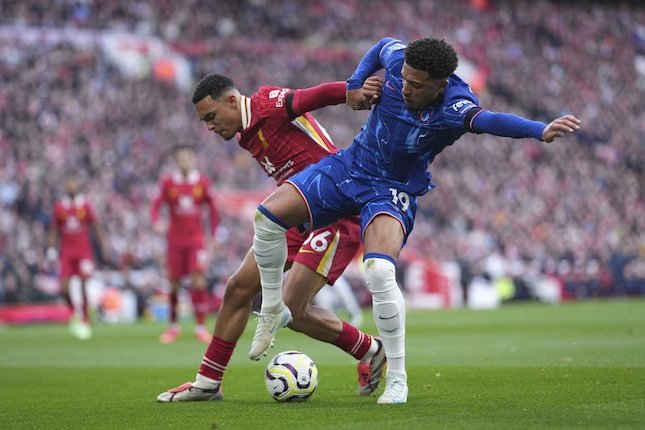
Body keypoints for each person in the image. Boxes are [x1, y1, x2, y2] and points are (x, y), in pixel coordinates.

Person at [248, 36, 582, 404]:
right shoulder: (398, 62)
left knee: (378, 271)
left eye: (416, 85)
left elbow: (490, 121)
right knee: (266, 217)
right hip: (350, 166)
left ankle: (397, 378)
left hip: (392, 189)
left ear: (440, 84)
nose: (405, 87)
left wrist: (539, 130)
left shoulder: (455, 106)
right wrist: (358, 82)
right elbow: (382, 45)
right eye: (404, 79)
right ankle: (272, 309)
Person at [156, 74, 386, 402]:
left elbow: (312, 95)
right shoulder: (245, 134)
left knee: (291, 309)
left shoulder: (266, 104)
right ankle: (207, 382)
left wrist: (351, 92)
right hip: (295, 217)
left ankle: (370, 349)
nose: (209, 126)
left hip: (334, 212)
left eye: (211, 116)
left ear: (232, 101)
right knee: (239, 287)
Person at [151, 145, 219, 343]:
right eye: (180, 158)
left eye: (187, 158)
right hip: (174, 241)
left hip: (195, 240)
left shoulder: (202, 183)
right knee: (174, 284)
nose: (184, 162)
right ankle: (173, 327)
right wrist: (156, 222)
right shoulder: (168, 183)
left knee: (198, 281)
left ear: (193, 159)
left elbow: (213, 210)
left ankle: (200, 327)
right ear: (176, 161)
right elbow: (155, 206)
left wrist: (213, 234)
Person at [47, 176, 107, 340]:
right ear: (66, 186)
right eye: (68, 182)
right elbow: (53, 230)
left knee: (83, 283)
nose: (71, 185)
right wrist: (51, 251)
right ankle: (74, 311)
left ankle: (86, 318)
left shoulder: (85, 205)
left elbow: (95, 226)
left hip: (84, 252)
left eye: (73, 182)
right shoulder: (60, 207)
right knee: (64, 288)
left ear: (77, 185)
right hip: (66, 252)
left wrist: (103, 247)